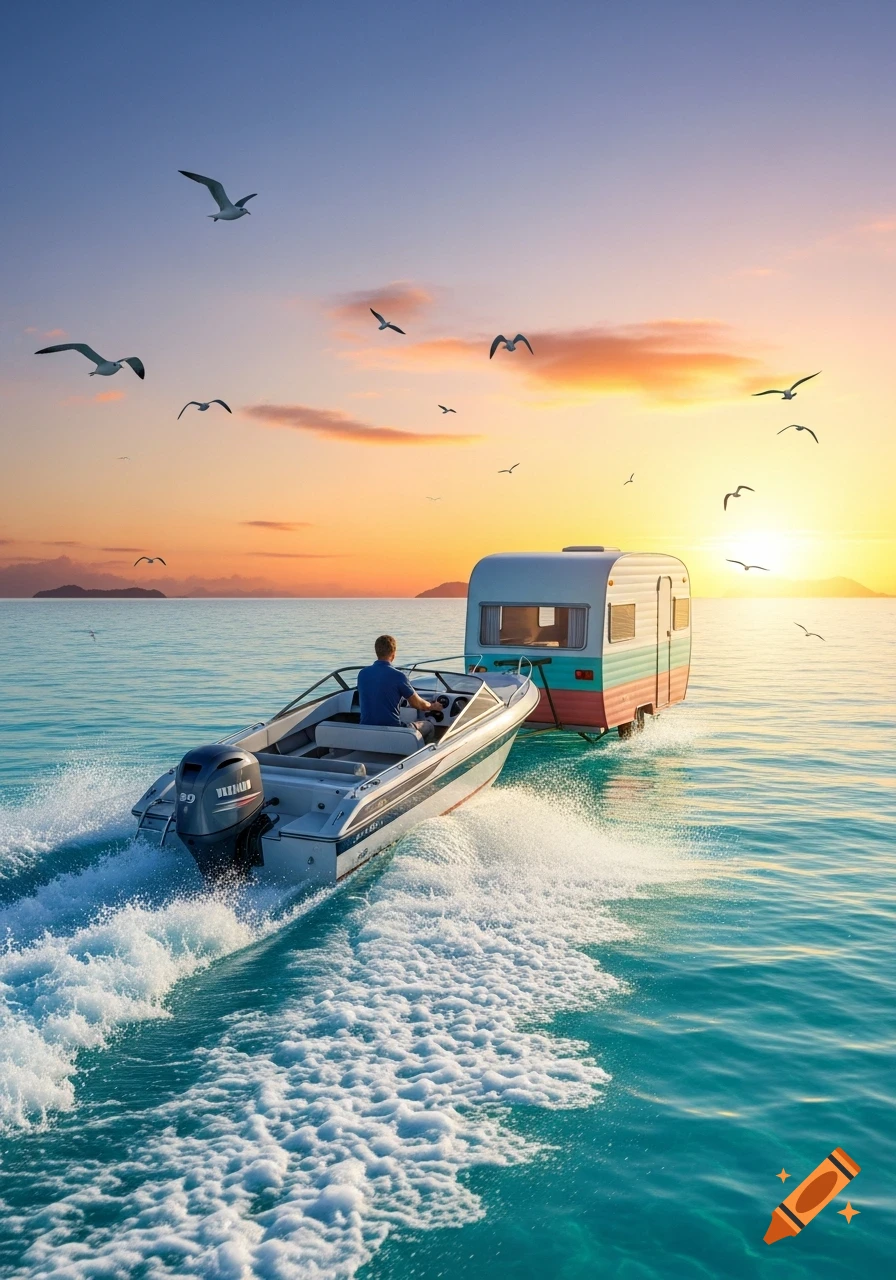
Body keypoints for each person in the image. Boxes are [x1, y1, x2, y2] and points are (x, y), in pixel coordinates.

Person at [357, 635, 439, 742]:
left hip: (366, 729)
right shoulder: (399, 676)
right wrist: (433, 706)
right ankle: (419, 754)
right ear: (393, 655)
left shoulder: (362, 674)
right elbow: (417, 704)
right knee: (428, 726)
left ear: (376, 652)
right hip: (393, 731)